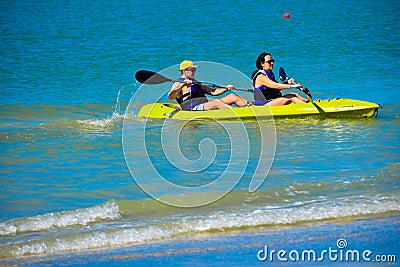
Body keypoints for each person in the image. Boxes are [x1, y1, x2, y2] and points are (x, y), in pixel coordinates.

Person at [168, 60, 251, 111]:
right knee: (216, 102)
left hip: (204, 105)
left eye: (195, 70)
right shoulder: (178, 83)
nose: (194, 72)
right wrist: (182, 85)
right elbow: (170, 96)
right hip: (192, 109)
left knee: (232, 96)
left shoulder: (195, 82)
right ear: (184, 71)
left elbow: (213, 92)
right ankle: (238, 112)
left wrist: (226, 88)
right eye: (192, 70)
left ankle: (252, 107)